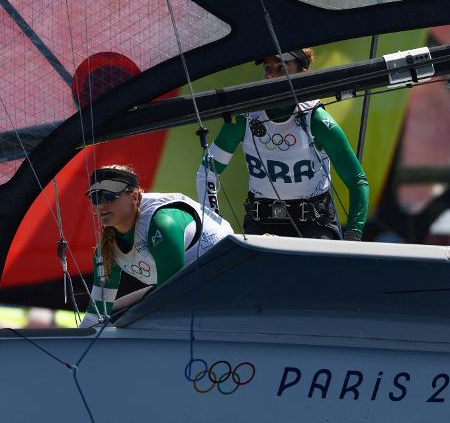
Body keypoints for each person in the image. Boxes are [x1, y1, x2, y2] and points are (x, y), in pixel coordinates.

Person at [196, 49, 369, 240]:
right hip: (261, 222)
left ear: (302, 75)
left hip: (314, 224)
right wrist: (214, 223)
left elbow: (357, 181)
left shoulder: (318, 121)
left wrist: (354, 233)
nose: (271, 75)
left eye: (281, 68)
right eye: (268, 68)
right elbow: (207, 172)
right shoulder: (243, 119)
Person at [79, 165, 233, 328]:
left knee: (124, 320)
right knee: (110, 315)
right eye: (96, 197)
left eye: (109, 196)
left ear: (134, 196)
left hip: (228, 278)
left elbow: (169, 303)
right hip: (189, 286)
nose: (102, 204)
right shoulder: (105, 248)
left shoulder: (162, 224)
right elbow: (94, 315)